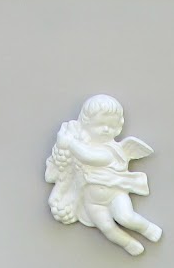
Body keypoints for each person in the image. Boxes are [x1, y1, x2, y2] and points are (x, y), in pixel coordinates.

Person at [45, 95, 162, 256]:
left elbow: (90, 157)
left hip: (115, 195)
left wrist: (70, 143)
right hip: (92, 201)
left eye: (111, 126)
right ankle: (129, 243)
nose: (106, 129)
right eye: (100, 125)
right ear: (86, 124)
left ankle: (146, 228)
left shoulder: (111, 150)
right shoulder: (82, 145)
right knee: (108, 228)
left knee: (125, 217)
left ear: (118, 128)